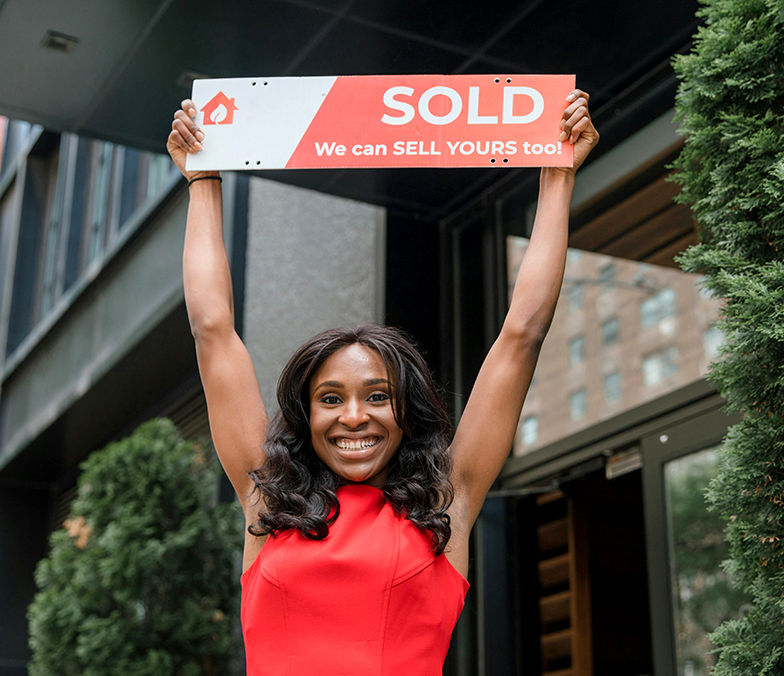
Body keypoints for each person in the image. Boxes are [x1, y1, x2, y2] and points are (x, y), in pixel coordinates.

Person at [168, 88, 598, 675]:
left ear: (406, 411)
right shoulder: (267, 499)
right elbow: (212, 329)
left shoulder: (449, 500)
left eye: (377, 396)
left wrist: (557, 180)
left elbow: (522, 334)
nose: (352, 416)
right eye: (330, 399)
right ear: (306, 415)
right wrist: (202, 182)